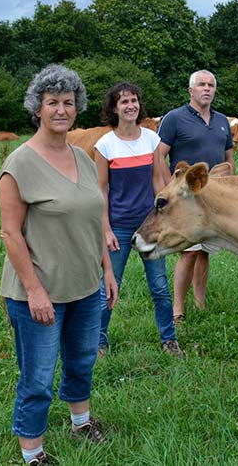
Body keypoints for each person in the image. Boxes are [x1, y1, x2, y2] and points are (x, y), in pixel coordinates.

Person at [0, 64, 118, 465]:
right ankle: (33, 453)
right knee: (37, 377)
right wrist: (34, 290)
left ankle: (81, 422)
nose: (61, 110)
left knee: (82, 359)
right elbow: (10, 234)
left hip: (86, 286)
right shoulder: (19, 164)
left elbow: (94, 218)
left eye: (68, 102)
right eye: (52, 103)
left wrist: (106, 269)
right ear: (38, 108)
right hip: (41, 292)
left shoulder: (83, 158)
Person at [94, 81, 182, 357]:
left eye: (134, 101)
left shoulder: (151, 139)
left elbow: (159, 180)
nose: (130, 106)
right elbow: (101, 191)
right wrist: (105, 229)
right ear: (114, 108)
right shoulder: (105, 145)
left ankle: (169, 340)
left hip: (150, 225)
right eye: (124, 102)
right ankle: (98, 342)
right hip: (118, 225)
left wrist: (167, 218)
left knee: (160, 287)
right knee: (109, 287)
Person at [154, 69, 235, 322]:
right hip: (187, 198)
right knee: (189, 251)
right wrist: (167, 188)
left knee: (205, 251)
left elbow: (229, 159)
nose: (207, 89)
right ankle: (178, 310)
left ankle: (199, 301)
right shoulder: (174, 119)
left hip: (213, 198)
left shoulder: (222, 120)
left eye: (211, 85)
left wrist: (230, 185)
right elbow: (158, 156)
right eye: (201, 84)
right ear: (191, 90)